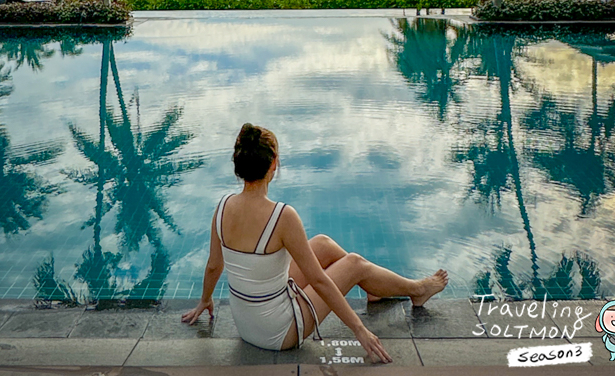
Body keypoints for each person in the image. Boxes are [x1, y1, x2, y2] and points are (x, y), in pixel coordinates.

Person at [182, 123, 448, 363]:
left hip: (247, 324)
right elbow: (319, 281)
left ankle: (374, 287)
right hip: (279, 332)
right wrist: (360, 330)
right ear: (274, 163)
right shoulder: (282, 216)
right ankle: (415, 289)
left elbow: (214, 266)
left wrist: (205, 300)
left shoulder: (223, 207)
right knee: (354, 263)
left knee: (322, 244)